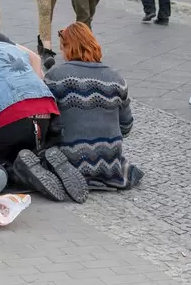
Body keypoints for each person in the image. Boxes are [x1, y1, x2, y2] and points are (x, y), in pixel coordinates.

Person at [0, 22, 87, 203]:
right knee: (17, 142)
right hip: (46, 114)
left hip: (12, 119)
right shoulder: (9, 47)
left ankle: (18, 172)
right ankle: (44, 162)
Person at [44, 22, 143, 192]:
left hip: (69, 158)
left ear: (68, 48)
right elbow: (126, 127)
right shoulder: (117, 79)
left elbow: (45, 122)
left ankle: (68, 172)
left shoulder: (55, 77)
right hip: (111, 161)